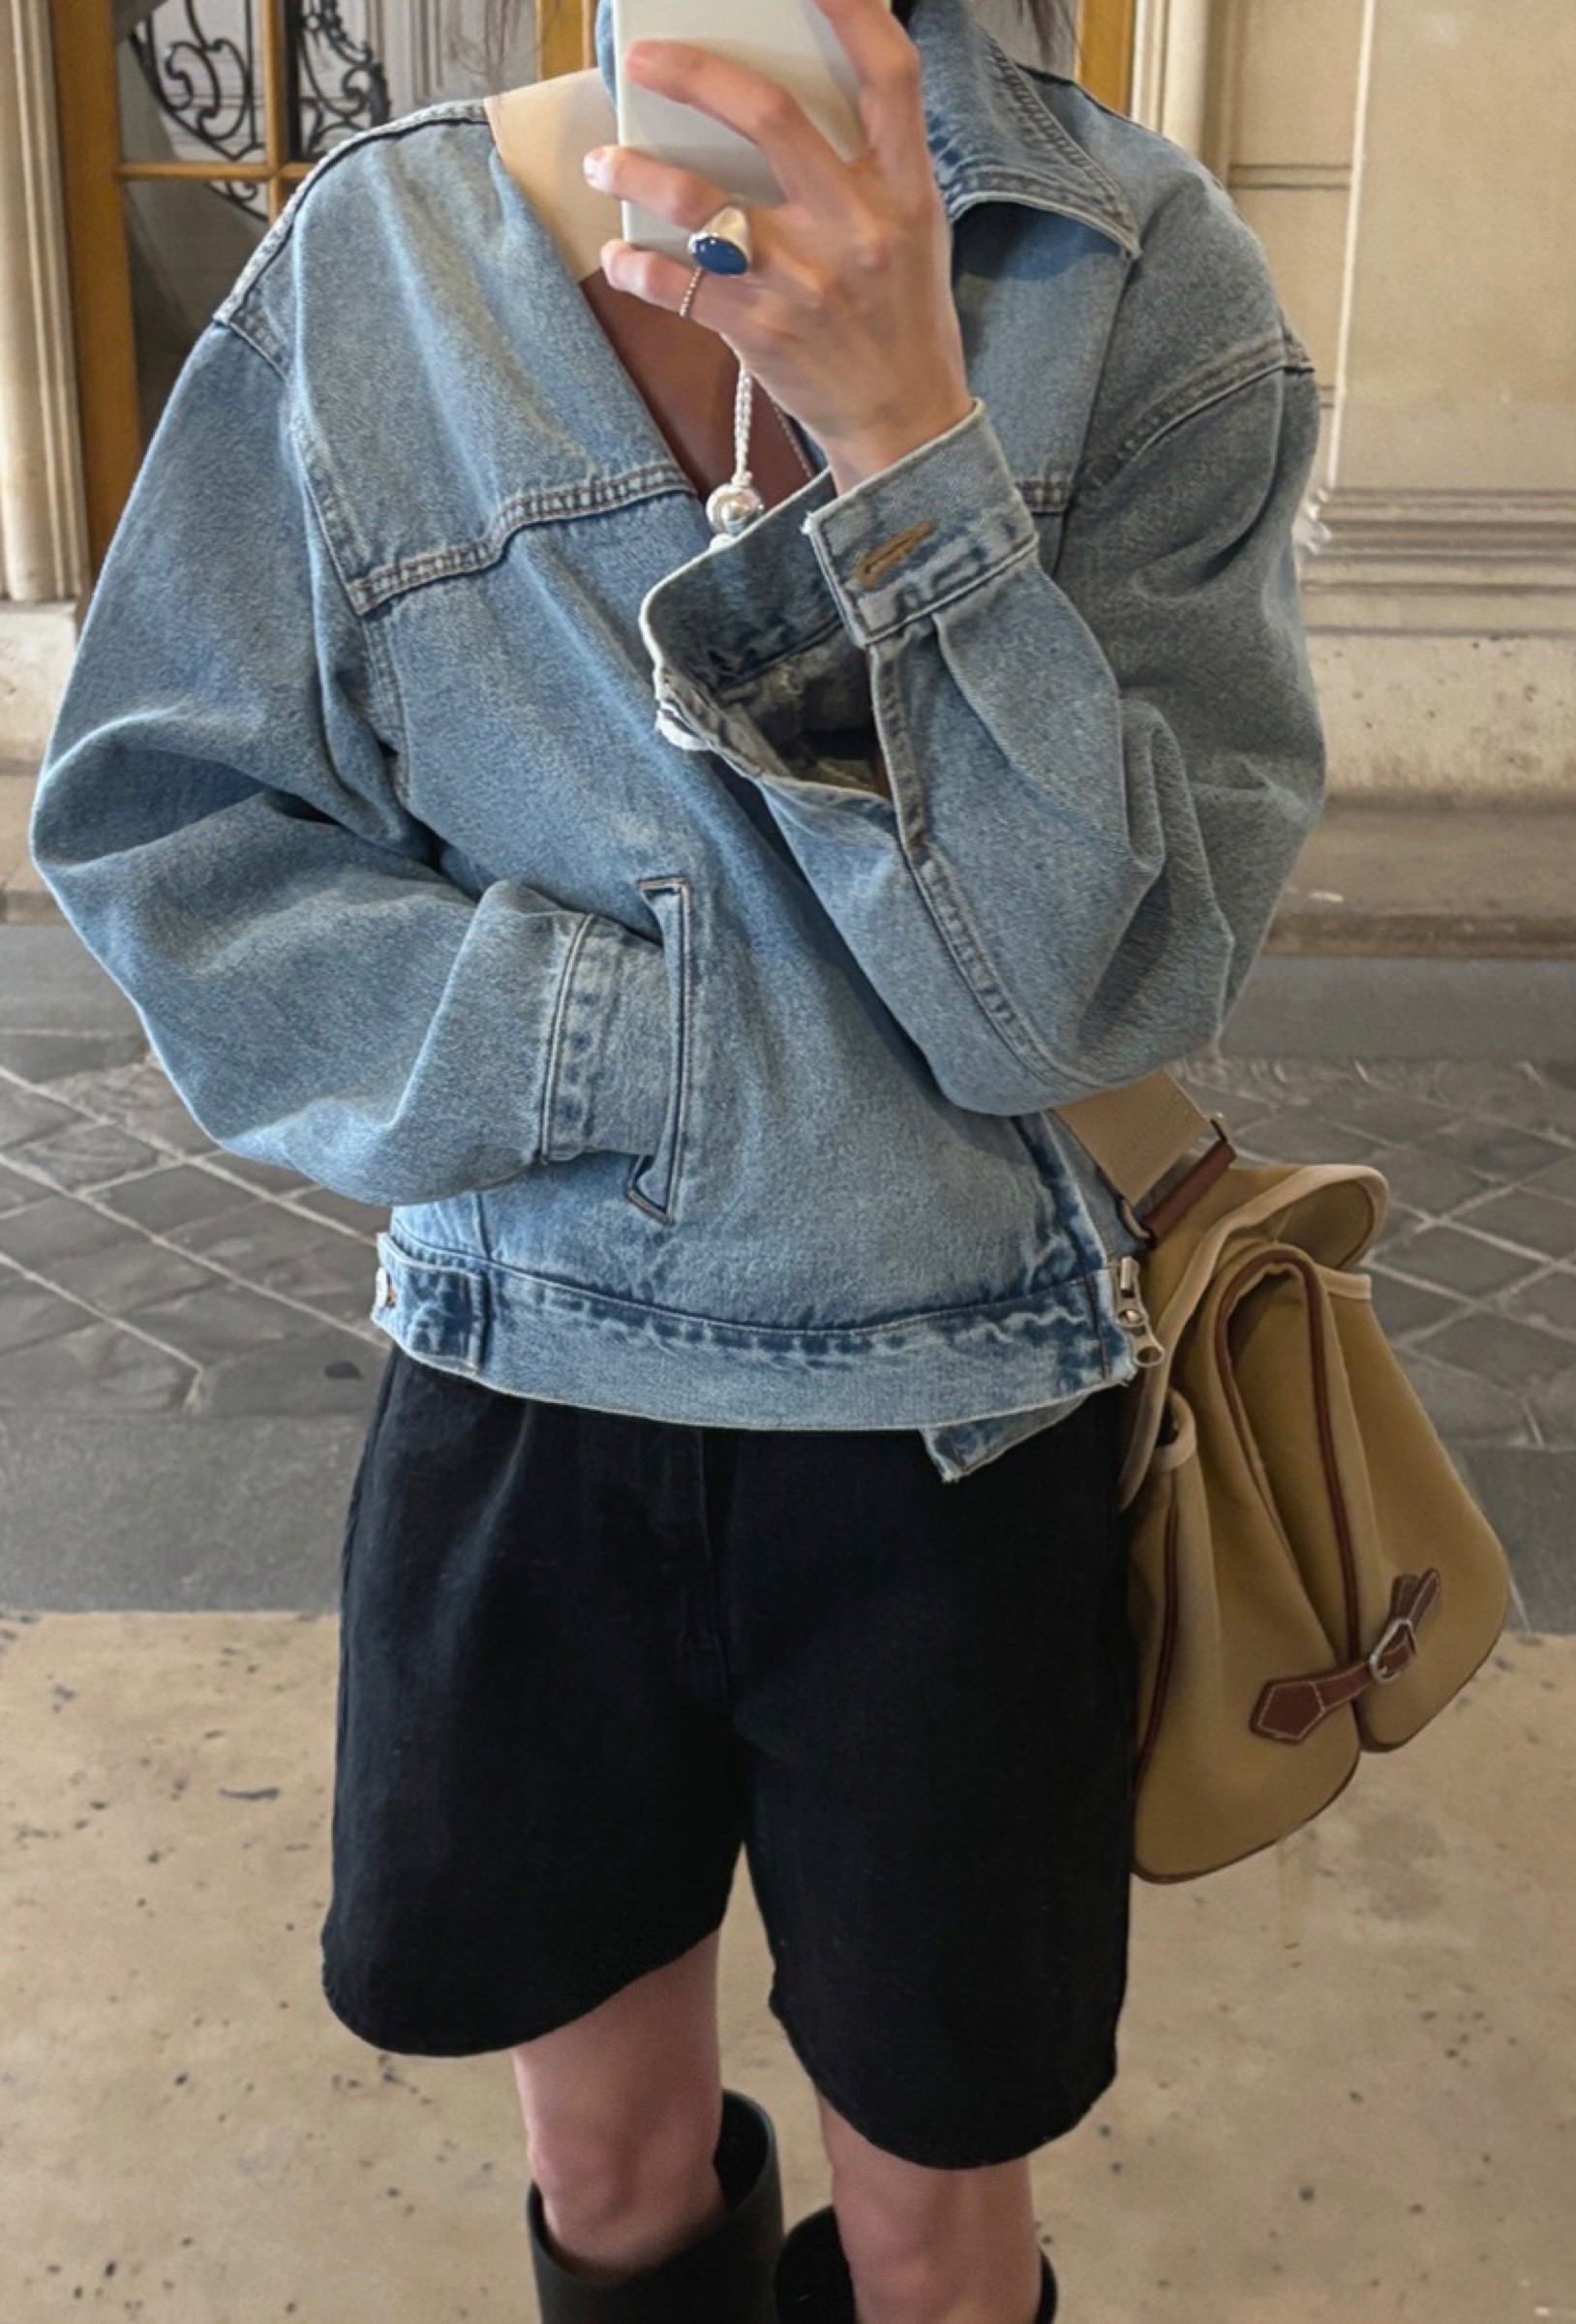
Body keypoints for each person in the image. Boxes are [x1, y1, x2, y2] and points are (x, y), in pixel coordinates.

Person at [28, 0, 1327, 2315]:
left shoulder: (1132, 275)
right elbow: (172, 830)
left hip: (959, 1426)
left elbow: (1085, 995)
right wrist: (608, 1035)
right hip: (525, 1388)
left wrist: (906, 444)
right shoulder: (387, 260)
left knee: (935, 2228)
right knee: (607, 2165)